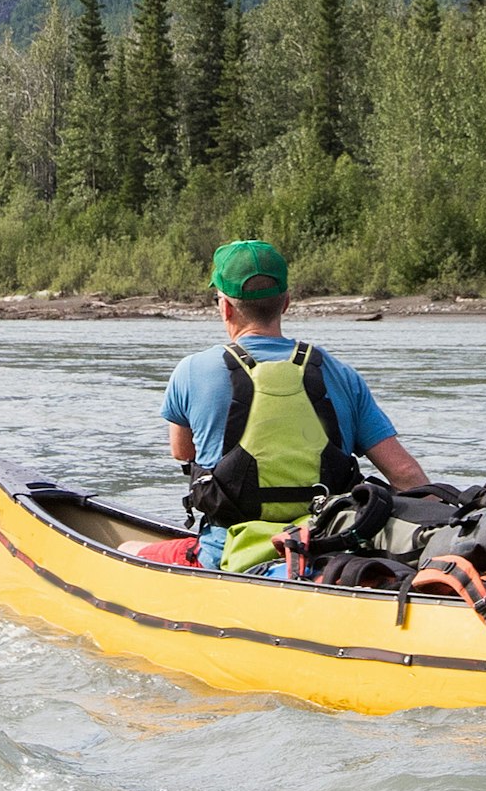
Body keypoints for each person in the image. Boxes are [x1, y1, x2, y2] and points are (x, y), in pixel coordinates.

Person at [158, 238, 430, 572]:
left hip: (228, 551)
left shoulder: (190, 371)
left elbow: (182, 452)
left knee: (129, 547)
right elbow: (403, 473)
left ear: (225, 307)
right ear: (286, 302)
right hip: (325, 546)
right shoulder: (340, 374)